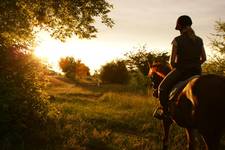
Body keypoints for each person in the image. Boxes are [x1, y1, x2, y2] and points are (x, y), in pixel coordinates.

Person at [154, 15, 207, 119]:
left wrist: (177, 67)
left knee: (162, 88)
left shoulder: (177, 40)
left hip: (182, 70)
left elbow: (172, 61)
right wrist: (195, 65)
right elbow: (204, 58)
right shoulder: (199, 40)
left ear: (179, 25)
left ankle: (165, 113)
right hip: (197, 71)